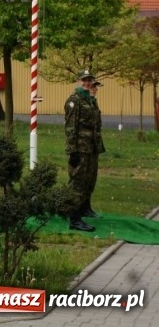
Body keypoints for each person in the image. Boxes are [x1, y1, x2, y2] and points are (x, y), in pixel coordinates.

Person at [64, 70, 101, 232]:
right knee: (78, 182)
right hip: (80, 148)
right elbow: (71, 127)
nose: (87, 83)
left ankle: (81, 211)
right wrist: (73, 151)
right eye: (84, 80)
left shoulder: (89, 100)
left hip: (90, 147)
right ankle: (74, 218)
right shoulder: (75, 100)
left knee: (88, 181)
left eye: (89, 80)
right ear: (78, 82)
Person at [86, 80, 105, 219]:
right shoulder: (80, 103)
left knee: (91, 179)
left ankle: (86, 207)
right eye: (92, 86)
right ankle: (75, 212)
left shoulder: (93, 102)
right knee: (81, 181)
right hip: (82, 147)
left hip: (93, 147)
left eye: (95, 87)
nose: (94, 89)